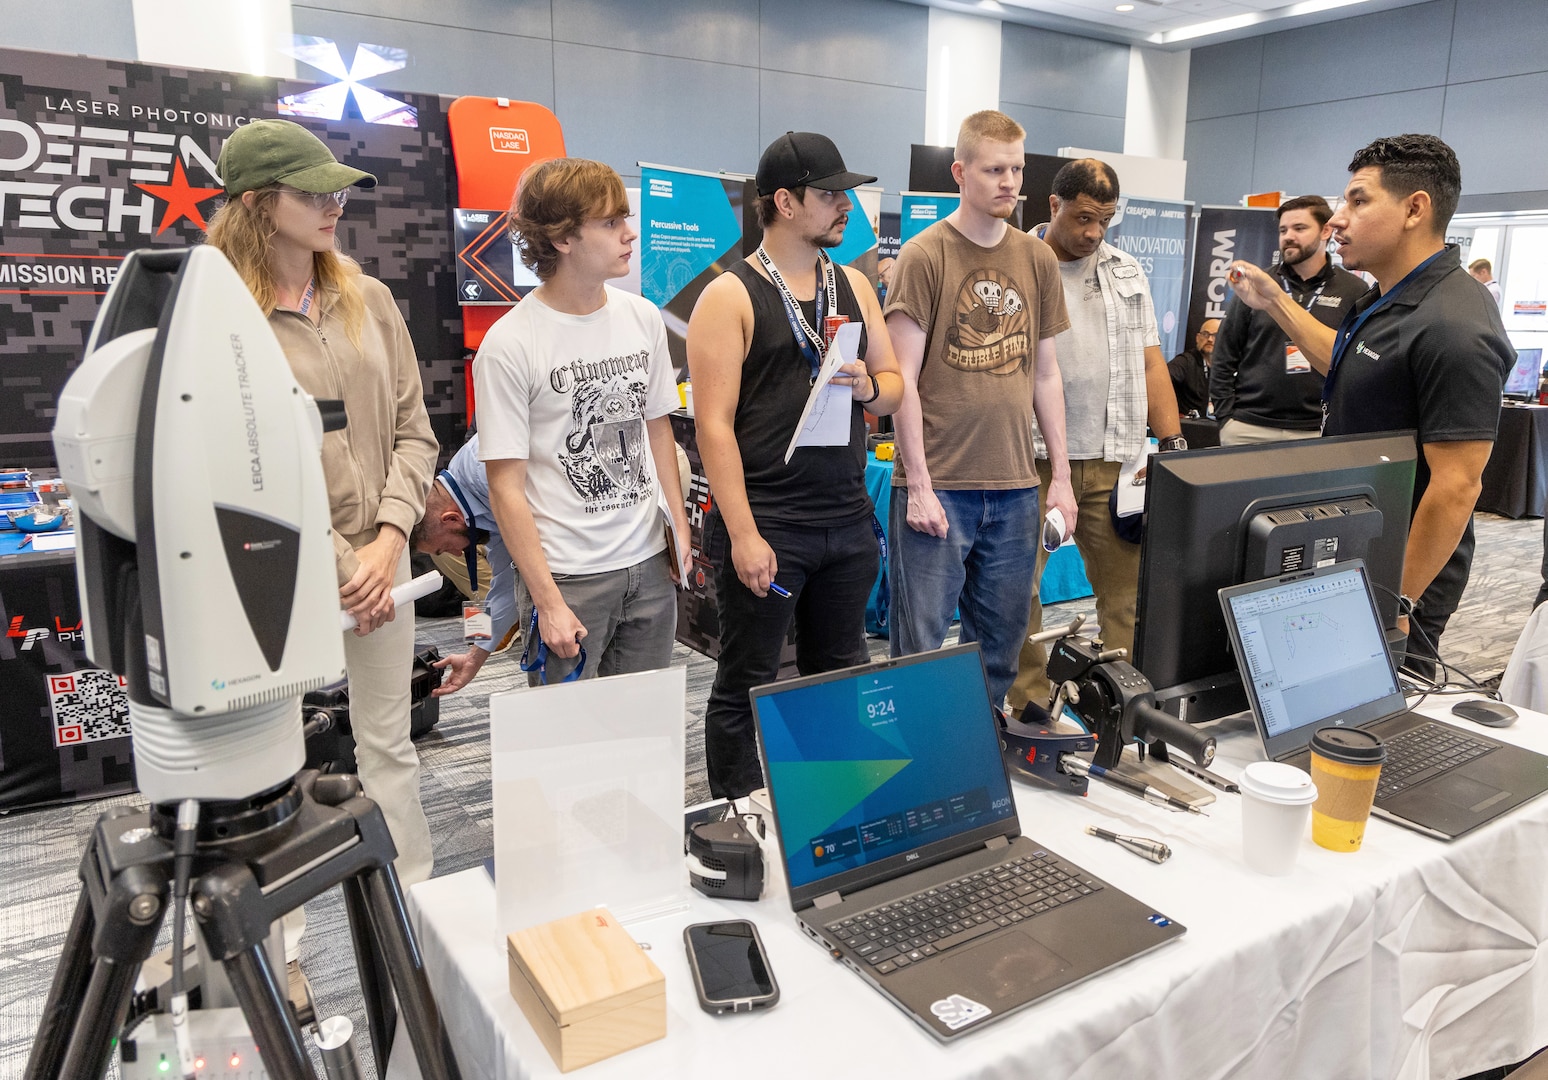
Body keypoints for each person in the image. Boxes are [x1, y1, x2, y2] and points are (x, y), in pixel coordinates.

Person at [207, 118, 438, 886]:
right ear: (257, 203)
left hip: (385, 558)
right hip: (279, 571)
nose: (334, 203)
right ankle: (281, 955)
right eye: (312, 192)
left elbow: (415, 431)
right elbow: (237, 467)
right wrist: (345, 563)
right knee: (272, 768)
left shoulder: (366, 297)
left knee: (389, 744)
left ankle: (418, 912)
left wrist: (385, 542)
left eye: (335, 188)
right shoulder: (220, 321)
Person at [1228, 134, 1513, 678]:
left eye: (1358, 201)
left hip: (1401, 581)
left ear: (1415, 209)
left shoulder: (1454, 324)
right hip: (1353, 549)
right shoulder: (1387, 295)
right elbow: (1341, 360)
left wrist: (1393, 604)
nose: (1337, 219)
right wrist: (1274, 301)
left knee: (1379, 733)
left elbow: (1457, 486)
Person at [688, 131, 902, 799]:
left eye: (846, 194)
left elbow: (894, 384)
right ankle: (735, 821)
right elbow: (713, 429)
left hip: (845, 518)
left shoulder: (856, 288)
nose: (846, 206)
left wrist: (869, 387)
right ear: (783, 201)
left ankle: (831, 809)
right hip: (771, 524)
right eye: (829, 195)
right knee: (747, 681)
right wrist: (745, 534)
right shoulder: (729, 296)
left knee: (839, 676)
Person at [473, 158, 690, 687]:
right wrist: (546, 599)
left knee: (641, 733)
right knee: (570, 750)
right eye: (611, 222)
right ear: (564, 238)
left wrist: (678, 529)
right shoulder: (508, 344)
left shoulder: (642, 317)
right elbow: (505, 486)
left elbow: (657, 428)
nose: (629, 232)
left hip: (649, 563)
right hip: (567, 577)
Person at [884, 111, 1074, 712]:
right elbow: (900, 381)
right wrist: (918, 484)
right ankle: (918, 765)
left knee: (1000, 645)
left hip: (1016, 488)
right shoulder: (924, 256)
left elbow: (1046, 374)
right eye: (995, 169)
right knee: (919, 646)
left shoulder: (1038, 260)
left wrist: (1062, 479)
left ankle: (976, 747)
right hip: (940, 484)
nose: (1009, 182)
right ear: (960, 172)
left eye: (1017, 169)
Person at [1009, 159, 1185, 718]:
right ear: (1054, 205)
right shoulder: (1013, 265)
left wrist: (1173, 446)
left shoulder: (1127, 272)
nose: (1093, 233)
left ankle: (1119, 703)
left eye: (1105, 221)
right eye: (1084, 218)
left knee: (1129, 593)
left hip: (1117, 461)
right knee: (1019, 594)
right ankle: (1029, 703)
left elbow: (1152, 364)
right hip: (1032, 461)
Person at [1209, 195, 1366, 446]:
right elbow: (1224, 355)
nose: (1288, 236)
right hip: (1249, 428)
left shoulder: (1354, 290)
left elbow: (1358, 364)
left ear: (1326, 230)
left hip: (1318, 430)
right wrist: (1226, 418)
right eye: (1283, 230)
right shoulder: (1258, 284)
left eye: (1299, 228)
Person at [409, 433, 509, 696]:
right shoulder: (479, 504)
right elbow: (506, 584)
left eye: (445, 547)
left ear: (451, 519)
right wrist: (474, 657)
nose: (454, 554)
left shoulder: (485, 470)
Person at [1168, 319, 1218, 417]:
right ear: (1197, 338)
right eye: (1205, 334)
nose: (1210, 339)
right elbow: (1160, 379)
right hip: (1189, 425)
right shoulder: (1185, 361)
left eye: (1215, 335)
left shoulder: (1228, 366)